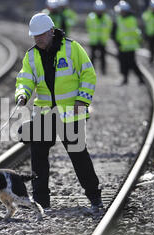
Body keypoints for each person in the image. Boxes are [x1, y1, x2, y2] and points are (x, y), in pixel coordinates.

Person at [15, 13, 103, 212]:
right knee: (38, 156)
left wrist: (82, 100)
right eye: (35, 36)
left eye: (42, 35)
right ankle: (41, 202)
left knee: (78, 156)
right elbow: (25, 79)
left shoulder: (72, 48)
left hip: (71, 113)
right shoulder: (31, 55)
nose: (38, 39)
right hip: (44, 113)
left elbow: (88, 74)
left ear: (52, 32)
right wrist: (22, 94)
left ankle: (94, 196)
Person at [114, 1, 144, 85]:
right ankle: (125, 79)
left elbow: (134, 33)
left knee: (132, 63)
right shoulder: (119, 18)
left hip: (130, 46)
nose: (120, 12)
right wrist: (117, 41)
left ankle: (140, 78)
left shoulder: (131, 19)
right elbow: (119, 32)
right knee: (123, 63)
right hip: (122, 45)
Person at [85, 0, 112, 75]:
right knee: (92, 57)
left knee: (103, 57)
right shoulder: (91, 17)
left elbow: (109, 28)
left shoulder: (107, 18)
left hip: (102, 41)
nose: (99, 12)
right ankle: (91, 71)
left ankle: (103, 71)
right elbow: (88, 27)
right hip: (93, 40)